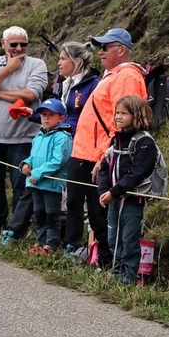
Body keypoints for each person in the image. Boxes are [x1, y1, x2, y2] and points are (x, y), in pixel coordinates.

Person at [73, 28, 147, 270]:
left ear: (121, 50)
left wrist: (105, 157)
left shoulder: (127, 76)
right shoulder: (113, 74)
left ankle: (112, 266)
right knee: (96, 215)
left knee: (103, 214)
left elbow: (124, 121)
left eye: (105, 47)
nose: (100, 52)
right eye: (99, 47)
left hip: (100, 155)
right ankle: (105, 263)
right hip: (88, 152)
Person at [0, 25, 49, 241]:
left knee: (20, 185)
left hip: (23, 138)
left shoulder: (37, 64)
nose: (18, 48)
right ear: (3, 44)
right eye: (13, 44)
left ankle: (17, 229)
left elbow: (30, 94)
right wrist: (8, 69)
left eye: (23, 45)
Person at [97, 93, 162, 286]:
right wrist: (104, 190)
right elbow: (104, 166)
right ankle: (115, 273)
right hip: (113, 199)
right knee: (112, 237)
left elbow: (138, 173)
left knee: (129, 239)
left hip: (133, 199)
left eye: (123, 113)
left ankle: (128, 278)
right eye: (116, 112)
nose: (118, 116)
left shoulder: (144, 142)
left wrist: (115, 191)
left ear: (137, 115)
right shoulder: (116, 140)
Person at [52, 41, 102, 256]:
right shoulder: (61, 83)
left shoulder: (93, 84)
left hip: (83, 143)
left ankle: (90, 246)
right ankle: (67, 240)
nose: (59, 63)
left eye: (63, 59)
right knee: (68, 195)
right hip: (58, 139)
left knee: (82, 197)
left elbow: (90, 116)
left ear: (77, 61)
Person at [21, 98, 73, 255]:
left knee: (52, 216)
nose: (46, 118)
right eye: (44, 114)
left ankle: (51, 244)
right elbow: (33, 156)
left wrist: (37, 173)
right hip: (35, 184)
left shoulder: (62, 137)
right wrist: (26, 164)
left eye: (51, 115)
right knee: (39, 215)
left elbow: (57, 162)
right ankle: (40, 241)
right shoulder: (39, 135)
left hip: (50, 185)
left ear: (61, 117)